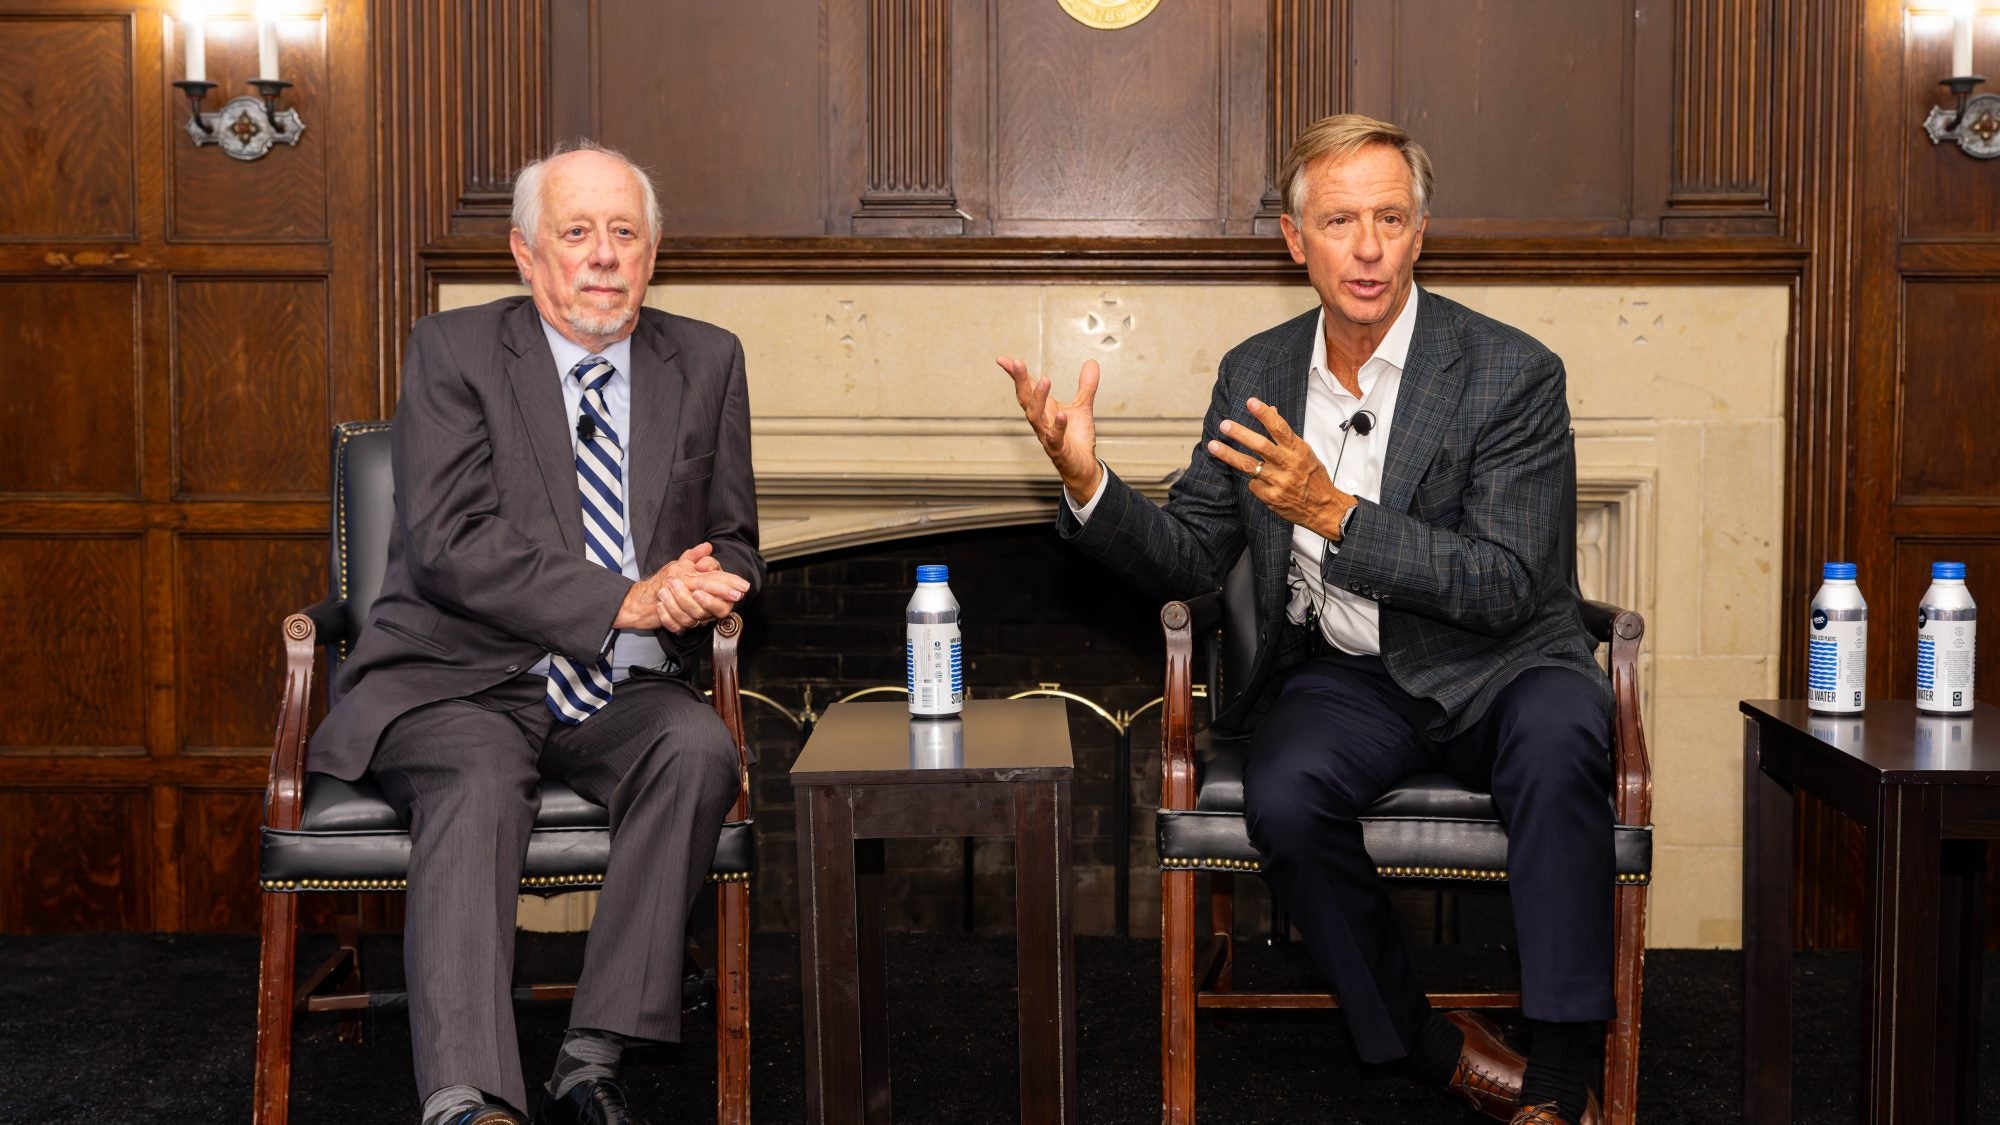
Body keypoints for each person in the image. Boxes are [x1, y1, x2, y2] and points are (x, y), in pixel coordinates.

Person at [999, 114, 1614, 1125]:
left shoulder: (1510, 372)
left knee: (1561, 746)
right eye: (1338, 220)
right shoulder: (1257, 372)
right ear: (1296, 242)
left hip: (1501, 666)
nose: (1365, 248)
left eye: (1388, 219)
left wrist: (1332, 514)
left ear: (1420, 233)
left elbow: (1507, 582)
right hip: (1347, 674)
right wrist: (1088, 485)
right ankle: (1419, 1043)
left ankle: (1553, 1075)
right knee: (1279, 794)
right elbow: (1194, 550)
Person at [310, 141, 763, 1125]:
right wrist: (622, 600)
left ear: (652, 253)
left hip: (622, 689)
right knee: (476, 782)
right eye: (575, 233)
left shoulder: (707, 358)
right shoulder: (454, 351)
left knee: (697, 749)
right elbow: (449, 547)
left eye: (623, 233)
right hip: (456, 678)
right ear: (525, 255)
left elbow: (735, 536)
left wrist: (707, 583)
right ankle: (471, 1098)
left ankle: (593, 1052)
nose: (602, 255)